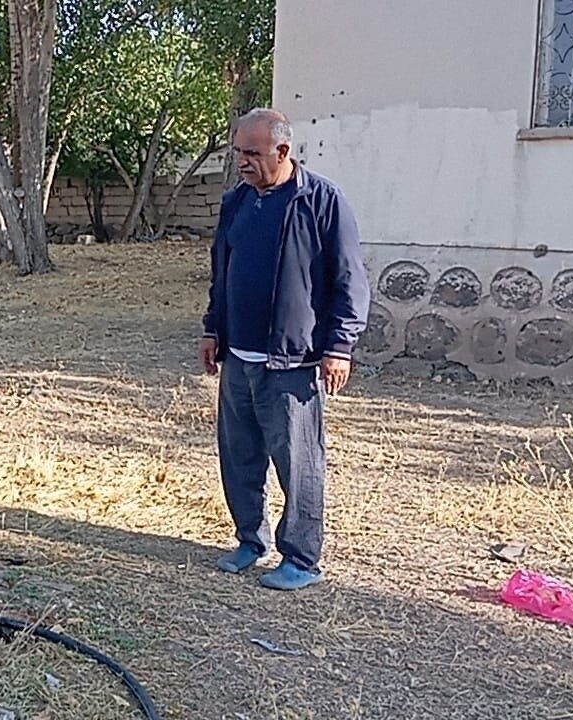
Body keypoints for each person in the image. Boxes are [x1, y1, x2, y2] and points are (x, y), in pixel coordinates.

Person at [199, 108, 370, 591]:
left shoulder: (320, 200)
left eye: (252, 153)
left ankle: (301, 558)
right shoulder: (236, 202)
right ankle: (249, 541)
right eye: (237, 152)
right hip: (239, 358)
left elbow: (349, 280)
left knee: (298, 462)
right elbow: (221, 270)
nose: (242, 162)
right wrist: (213, 329)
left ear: (283, 151)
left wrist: (339, 346)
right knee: (239, 455)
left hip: (294, 361)